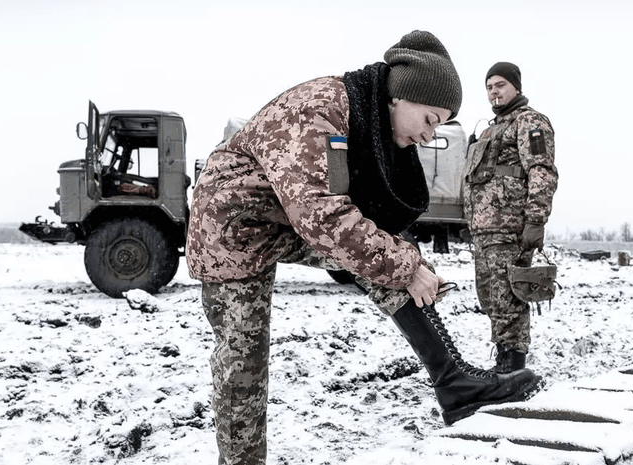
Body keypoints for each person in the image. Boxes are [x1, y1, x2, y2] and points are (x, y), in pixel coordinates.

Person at [186, 32, 542, 465]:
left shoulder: (362, 116)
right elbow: (323, 216)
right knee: (245, 362)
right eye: (430, 119)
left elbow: (338, 213)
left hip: (286, 215)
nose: (430, 136)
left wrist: (403, 260)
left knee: (386, 256)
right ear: (401, 98)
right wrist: (407, 267)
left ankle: (453, 382)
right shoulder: (319, 110)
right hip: (232, 227)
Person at [463, 62, 559, 374]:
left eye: (500, 85)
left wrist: (536, 219)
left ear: (515, 86)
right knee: (491, 299)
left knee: (509, 300)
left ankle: (513, 368)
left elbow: (541, 171)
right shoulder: (490, 129)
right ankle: (502, 361)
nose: (494, 91)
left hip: (509, 229)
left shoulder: (530, 122)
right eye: (489, 86)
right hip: (485, 231)